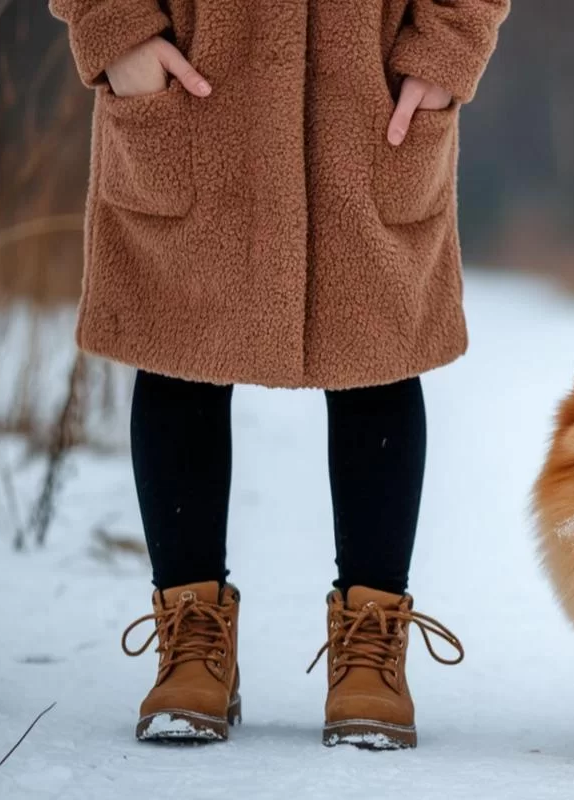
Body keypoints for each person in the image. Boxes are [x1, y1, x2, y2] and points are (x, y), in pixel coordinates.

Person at [48, 0, 509, 749]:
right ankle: (190, 636)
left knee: (376, 357)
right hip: (193, 80)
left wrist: (444, 48)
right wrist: (118, 28)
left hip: (370, 93)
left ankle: (371, 641)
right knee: (180, 352)